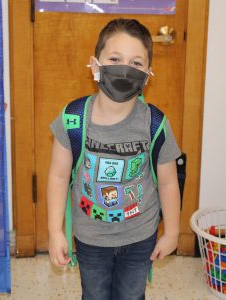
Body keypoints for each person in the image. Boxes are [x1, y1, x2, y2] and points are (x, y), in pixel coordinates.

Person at [47, 18, 181, 300]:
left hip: (139, 236)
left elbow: (169, 183)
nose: (125, 69)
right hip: (90, 237)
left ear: (147, 76)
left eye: (136, 63)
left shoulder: (155, 123)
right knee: (94, 295)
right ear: (96, 66)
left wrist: (172, 232)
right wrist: (55, 231)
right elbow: (58, 176)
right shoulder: (73, 119)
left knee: (131, 296)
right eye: (115, 58)